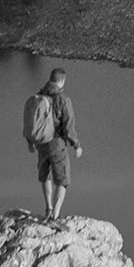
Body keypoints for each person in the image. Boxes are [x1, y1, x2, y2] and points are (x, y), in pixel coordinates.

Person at [23, 66, 83, 219]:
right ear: (62, 81)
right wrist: (76, 145)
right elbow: (69, 126)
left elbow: (32, 122)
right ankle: (55, 215)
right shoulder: (64, 100)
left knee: (45, 176)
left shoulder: (39, 96)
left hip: (41, 143)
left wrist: (30, 141)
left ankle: (48, 208)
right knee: (63, 180)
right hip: (57, 144)